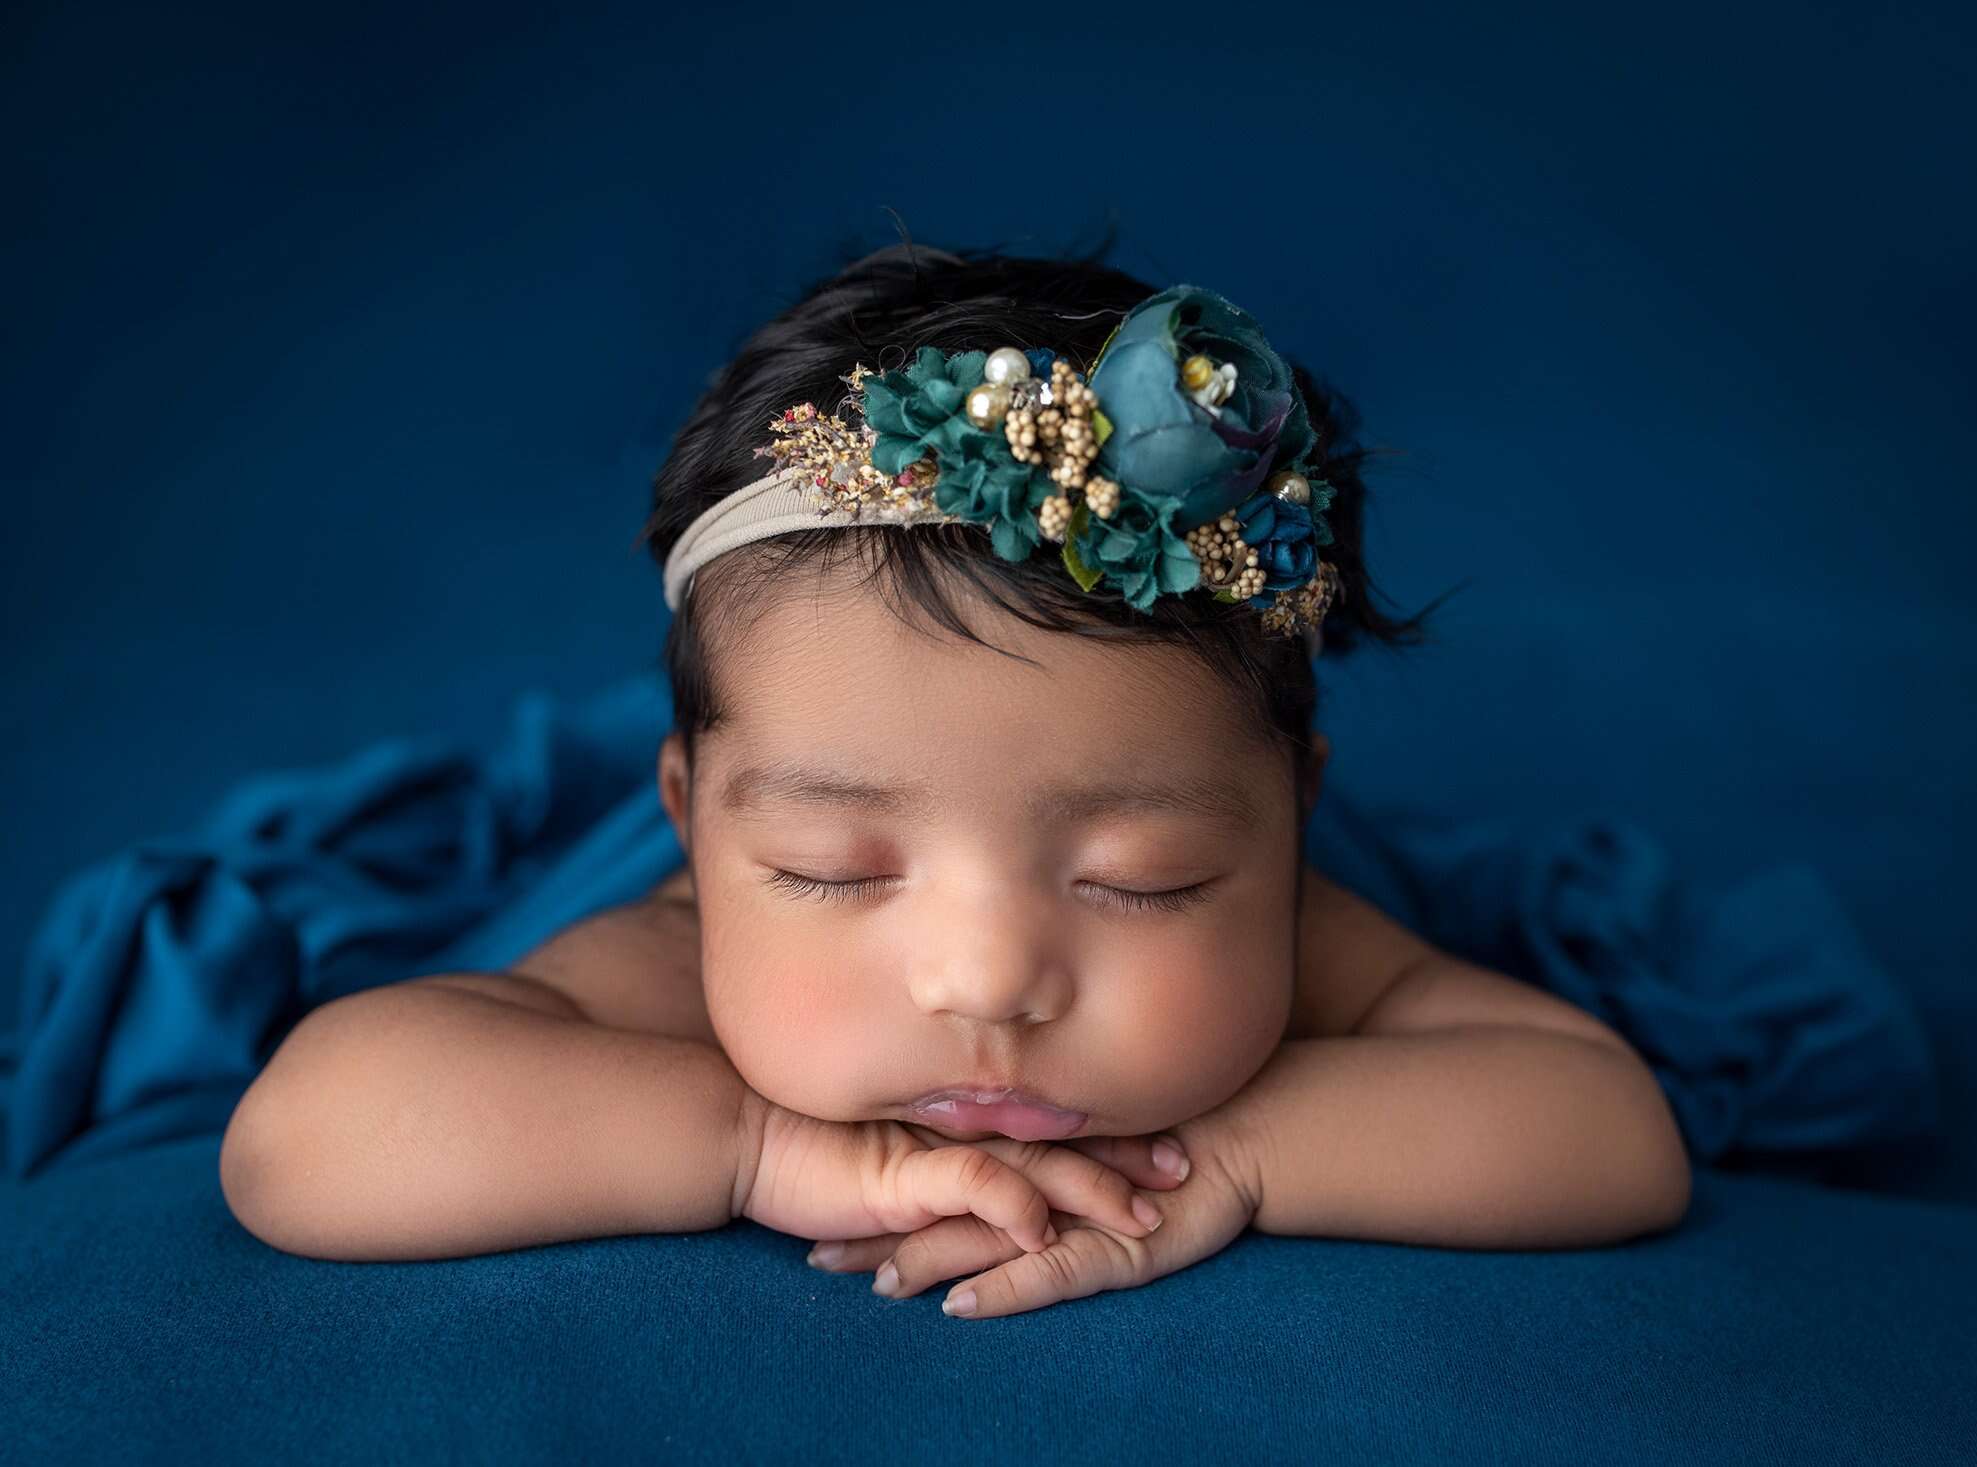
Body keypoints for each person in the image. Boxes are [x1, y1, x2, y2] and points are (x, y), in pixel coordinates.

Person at [219, 241, 1691, 1317]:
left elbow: (1610, 1130)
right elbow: (303, 1141)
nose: (987, 982)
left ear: (1293, 818)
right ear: (693, 824)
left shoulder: (1308, 938)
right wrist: (763, 1148)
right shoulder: (670, 965)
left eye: (1143, 881)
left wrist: (1238, 1155)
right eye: (832, 867)